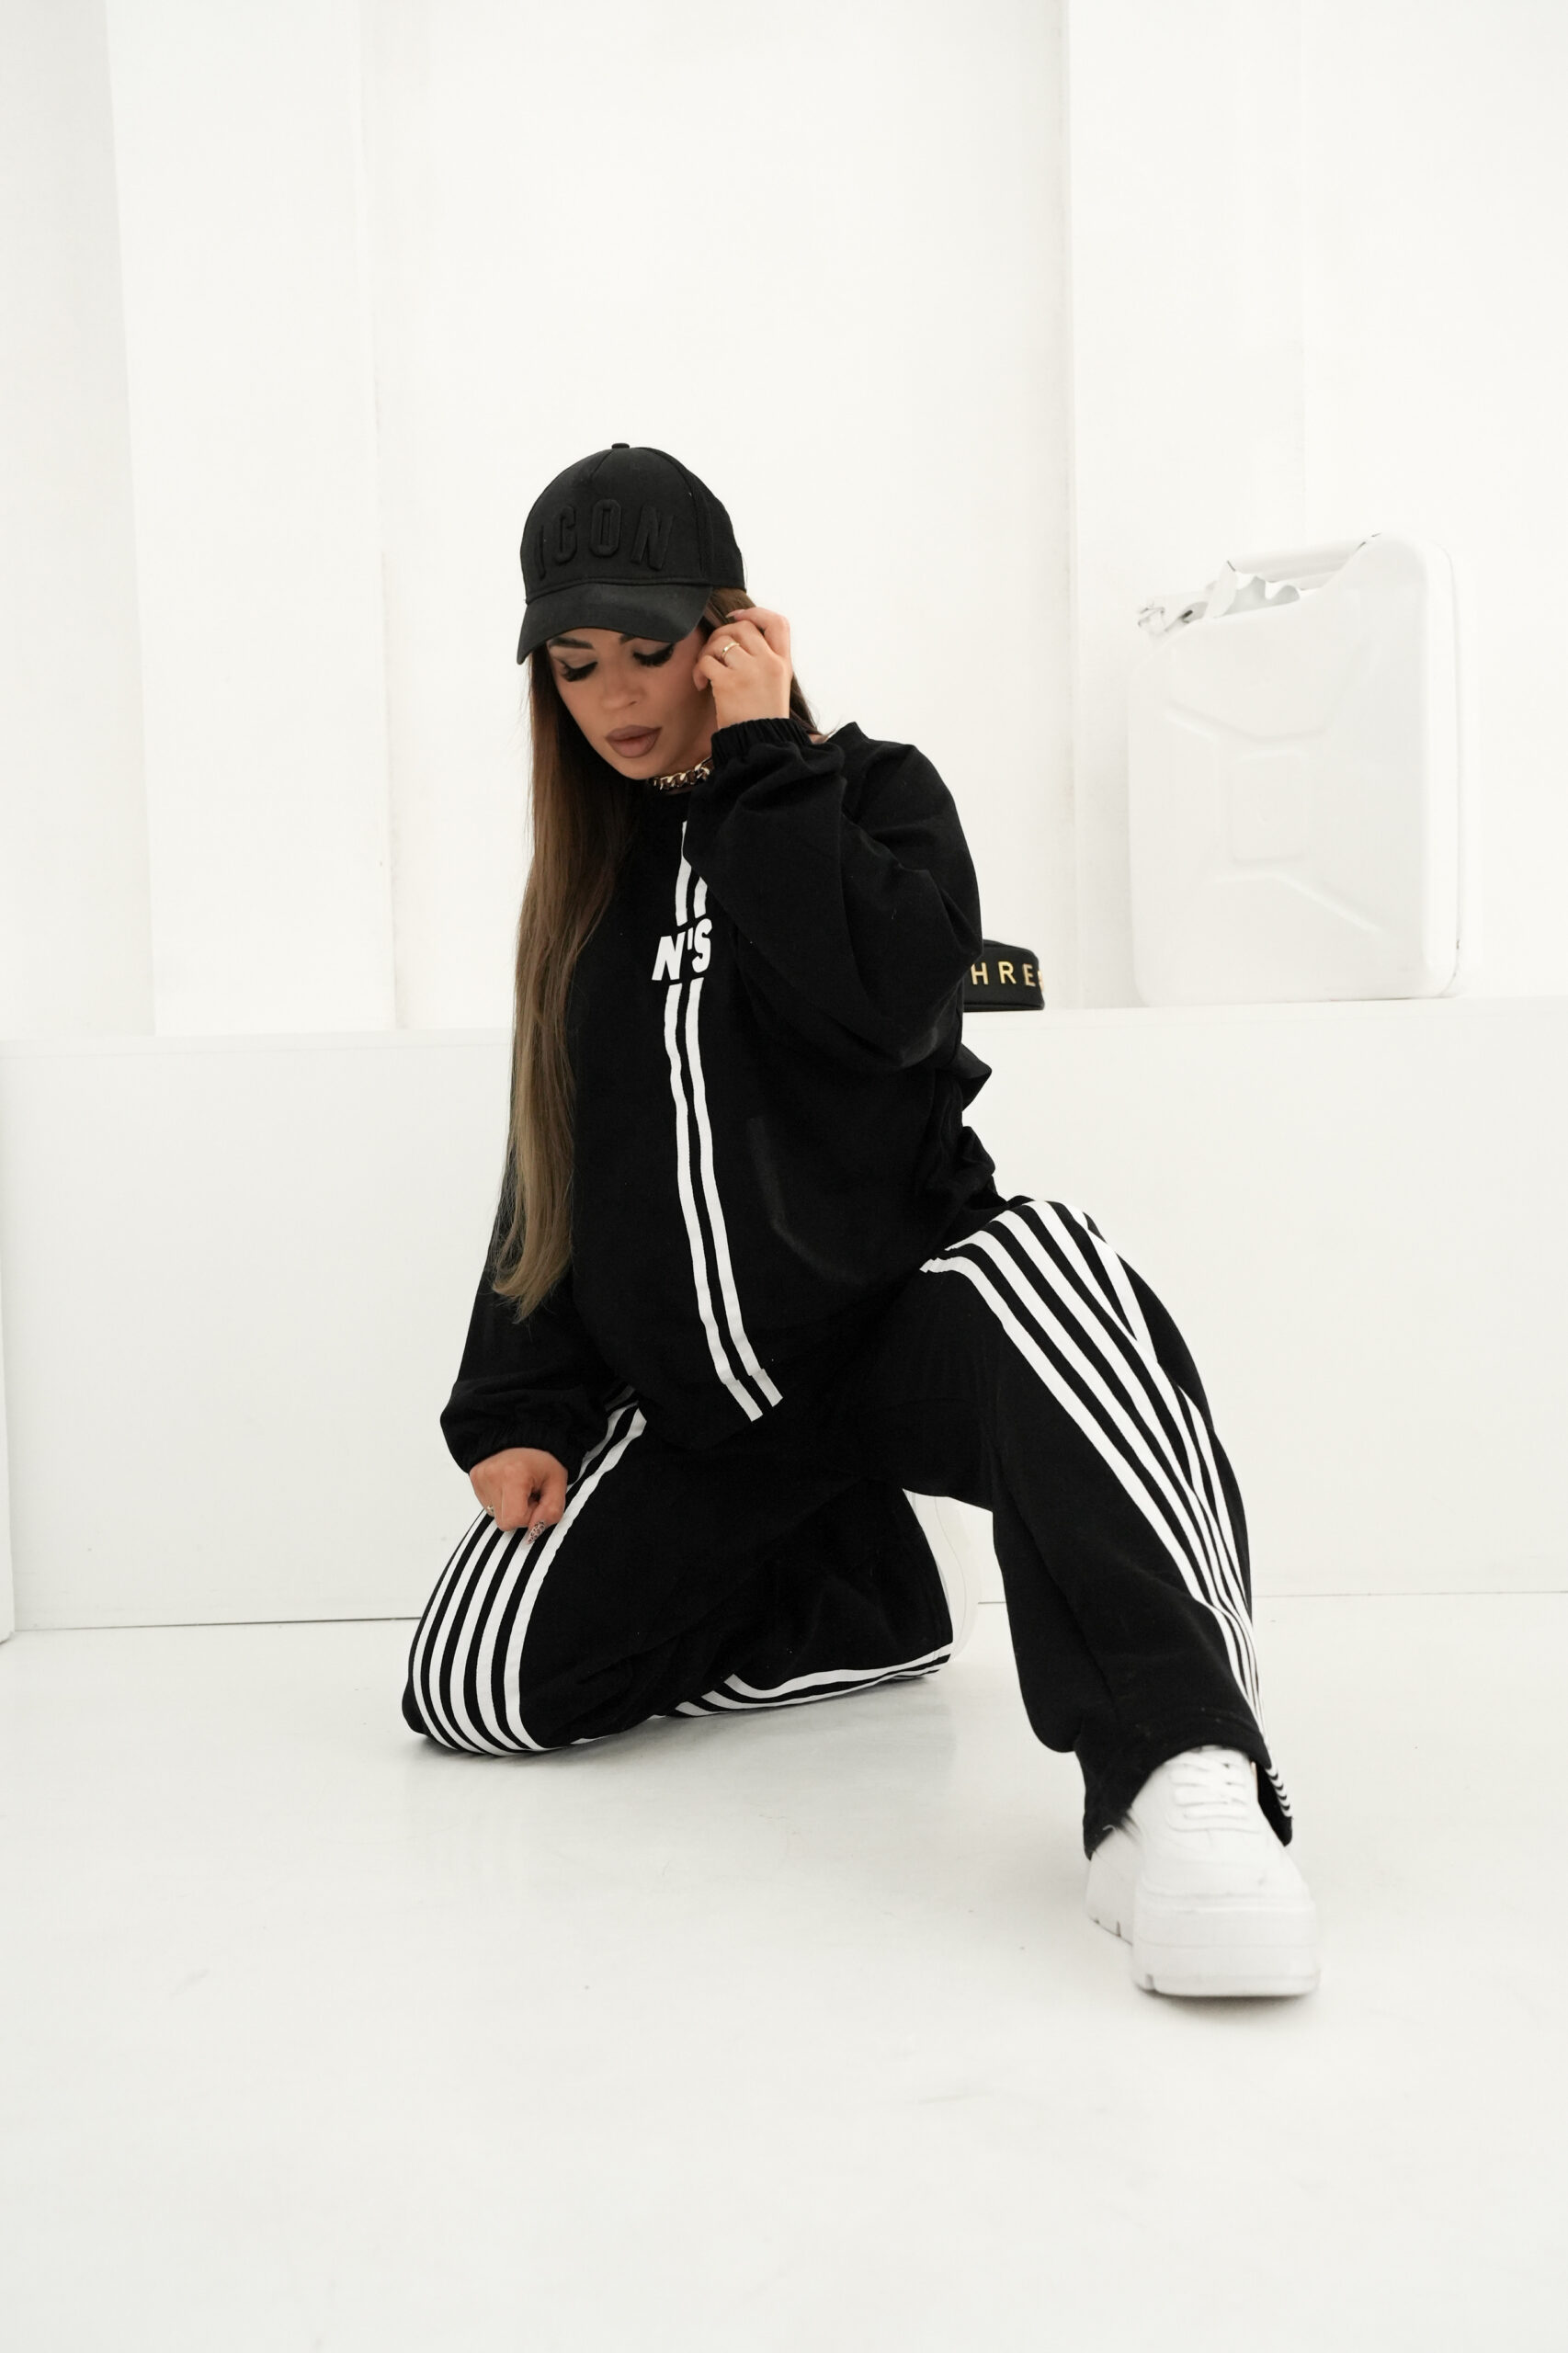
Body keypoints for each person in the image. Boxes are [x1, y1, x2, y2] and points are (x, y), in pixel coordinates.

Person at [402, 442, 1320, 1999]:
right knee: (473, 1682)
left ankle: (1180, 1778)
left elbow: (888, 1007)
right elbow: (547, 1166)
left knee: (1052, 1266)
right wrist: (518, 1403)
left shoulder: (871, 795)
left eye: (647, 649)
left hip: (902, 1338)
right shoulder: (582, 893)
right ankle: (852, 1597)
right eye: (574, 664)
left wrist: (763, 764)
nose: (614, 697)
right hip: (716, 1411)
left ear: (729, 635)